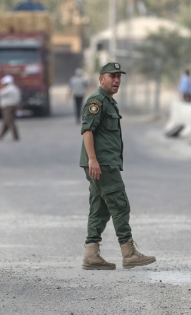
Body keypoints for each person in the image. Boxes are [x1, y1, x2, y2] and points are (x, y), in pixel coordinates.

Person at [79, 62, 156, 270]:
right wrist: (93, 159)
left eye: (119, 77)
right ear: (101, 79)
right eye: (112, 76)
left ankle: (91, 254)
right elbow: (87, 131)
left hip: (103, 163)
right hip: (101, 164)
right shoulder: (97, 101)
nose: (116, 80)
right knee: (120, 204)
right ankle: (129, 253)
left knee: (100, 207)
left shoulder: (109, 102)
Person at [0, 75, 21, 141]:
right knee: (6, 122)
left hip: (7, 107)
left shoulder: (8, 89)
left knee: (9, 122)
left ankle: (15, 136)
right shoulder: (15, 88)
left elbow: (0, 94)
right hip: (13, 106)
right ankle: (0, 136)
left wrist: (1, 87)